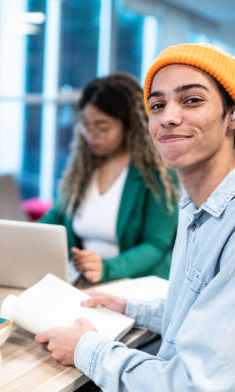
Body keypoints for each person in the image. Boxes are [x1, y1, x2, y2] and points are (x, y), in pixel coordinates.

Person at [35, 43, 235, 391]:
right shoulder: (201, 204)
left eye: (192, 100)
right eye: (157, 105)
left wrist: (88, 349)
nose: (169, 116)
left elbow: (196, 385)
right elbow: (207, 314)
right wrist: (131, 307)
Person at [39, 73, 179, 284]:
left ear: (130, 125)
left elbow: (156, 245)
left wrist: (105, 269)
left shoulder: (158, 173)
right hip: (84, 283)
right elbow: (55, 219)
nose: (91, 135)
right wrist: (21, 237)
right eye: (86, 125)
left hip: (137, 286)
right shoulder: (82, 168)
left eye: (102, 127)